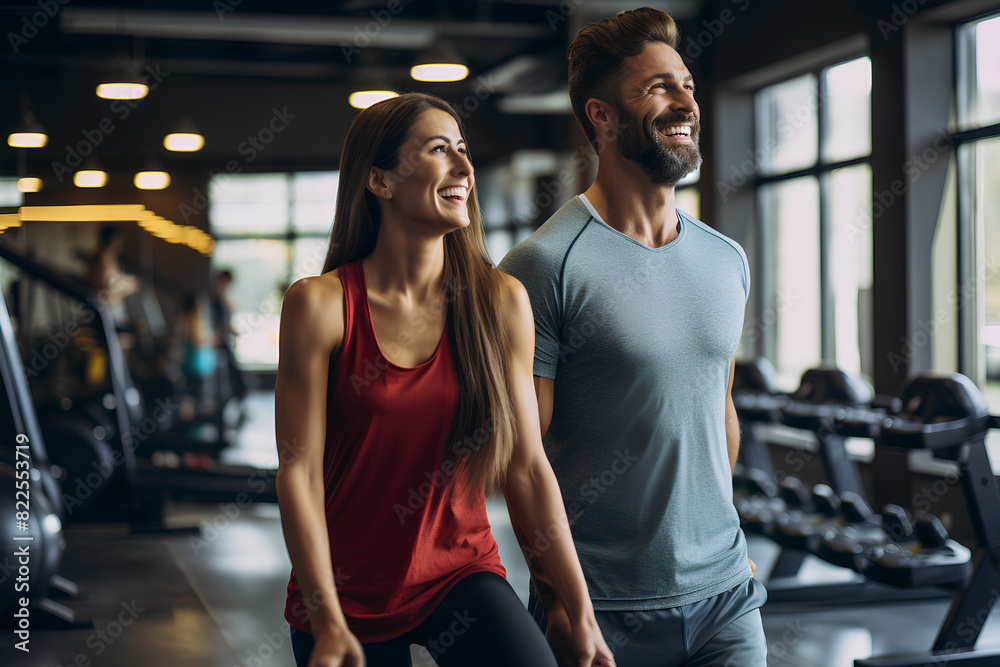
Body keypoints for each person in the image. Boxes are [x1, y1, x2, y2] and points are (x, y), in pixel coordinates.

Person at [274, 92, 616, 667]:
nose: (464, 168)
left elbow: (526, 465)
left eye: (464, 151)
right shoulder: (321, 305)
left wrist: (577, 613)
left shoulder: (499, 301)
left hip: (459, 572)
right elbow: (298, 472)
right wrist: (327, 618)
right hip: (346, 590)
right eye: (439, 150)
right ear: (379, 181)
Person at [498, 7, 767, 666]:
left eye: (687, 85)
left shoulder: (725, 259)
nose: (685, 102)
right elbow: (521, 458)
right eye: (659, 88)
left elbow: (718, 408)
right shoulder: (544, 265)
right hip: (603, 607)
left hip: (726, 598)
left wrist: (716, 532)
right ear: (602, 116)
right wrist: (563, 598)